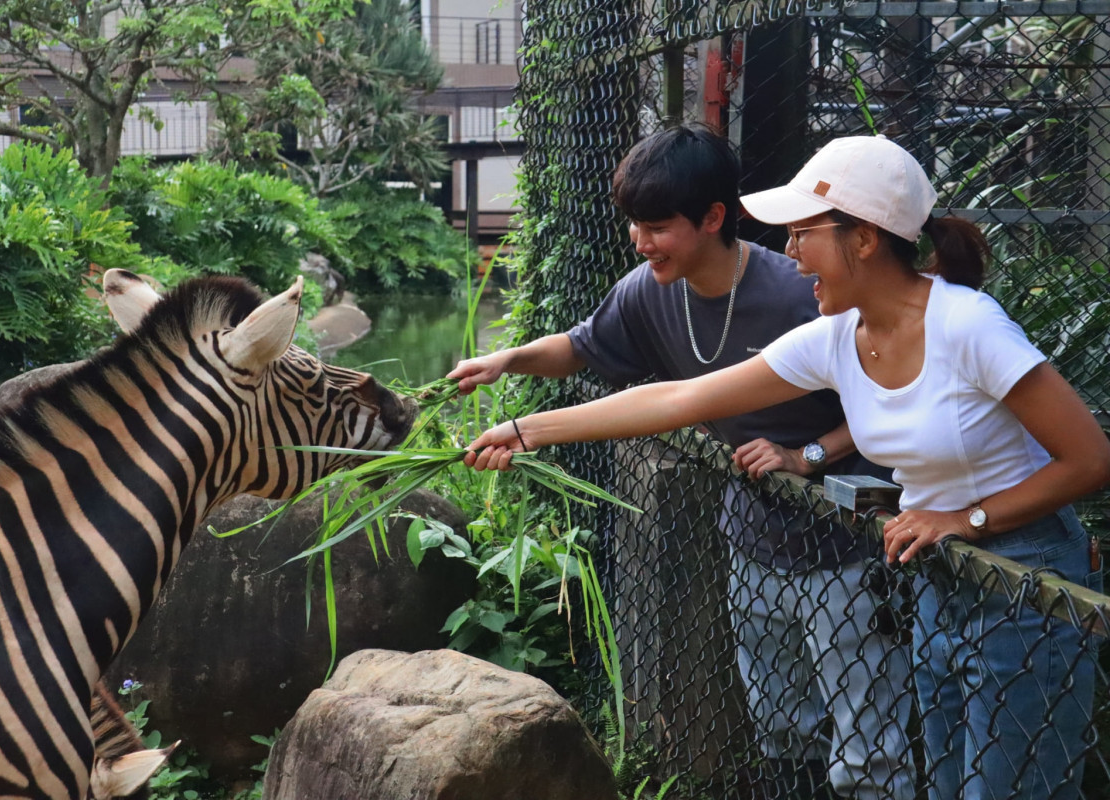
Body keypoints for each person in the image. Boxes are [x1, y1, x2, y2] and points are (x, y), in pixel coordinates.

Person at [465, 134, 1110, 800]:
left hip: (1025, 572)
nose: (791, 252)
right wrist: (525, 431)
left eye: (804, 234)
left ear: (865, 239)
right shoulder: (837, 337)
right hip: (939, 569)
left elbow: (1090, 459)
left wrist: (966, 518)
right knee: (950, 785)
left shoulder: (968, 326)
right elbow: (679, 399)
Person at [449, 124, 916, 800]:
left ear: (713, 217)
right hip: (752, 539)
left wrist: (810, 453)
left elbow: (886, 399)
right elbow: (582, 347)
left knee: (867, 752)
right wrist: (508, 359)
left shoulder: (805, 296)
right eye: (635, 225)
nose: (640, 241)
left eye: (658, 226)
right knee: (782, 728)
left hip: (847, 548)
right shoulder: (647, 290)